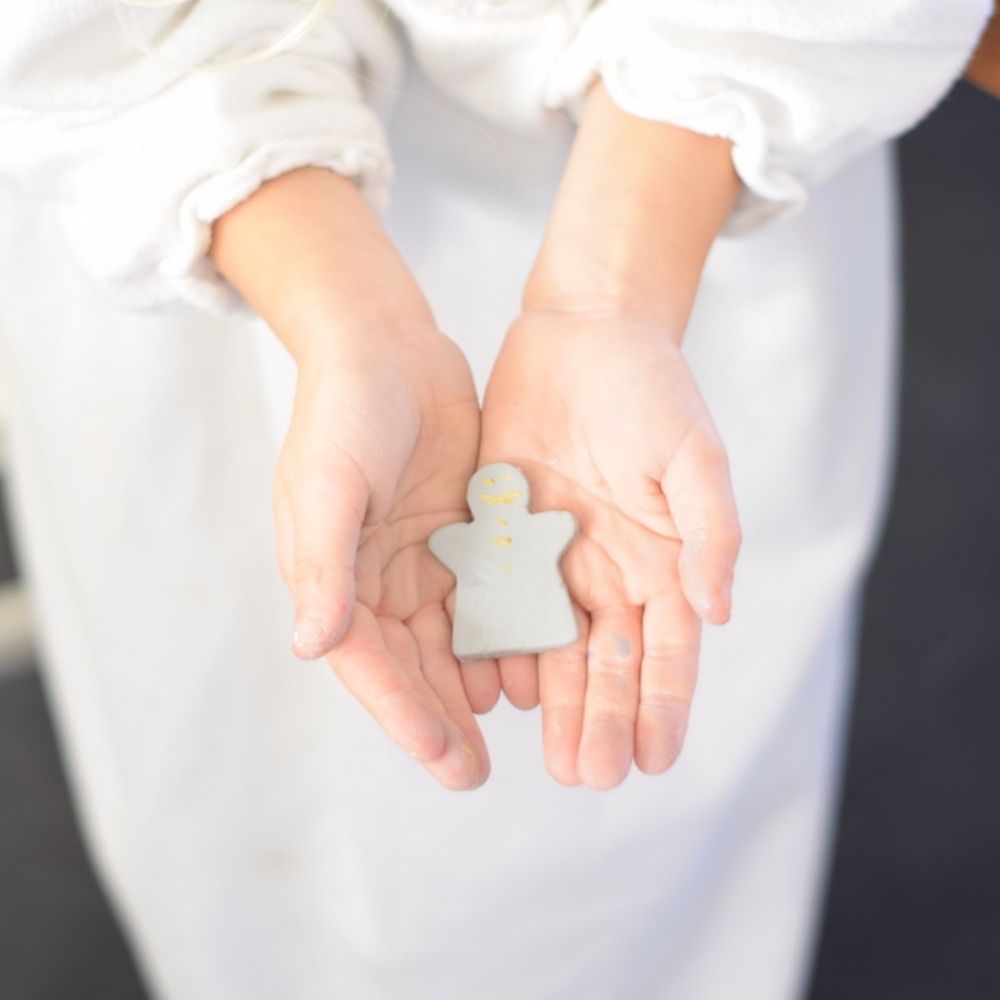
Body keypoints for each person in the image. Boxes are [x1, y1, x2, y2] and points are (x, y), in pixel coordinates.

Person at [0, 1, 991, 998]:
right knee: (257, 777)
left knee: (649, 829)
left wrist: (613, 291)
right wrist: (342, 314)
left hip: (682, 200)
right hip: (228, 243)